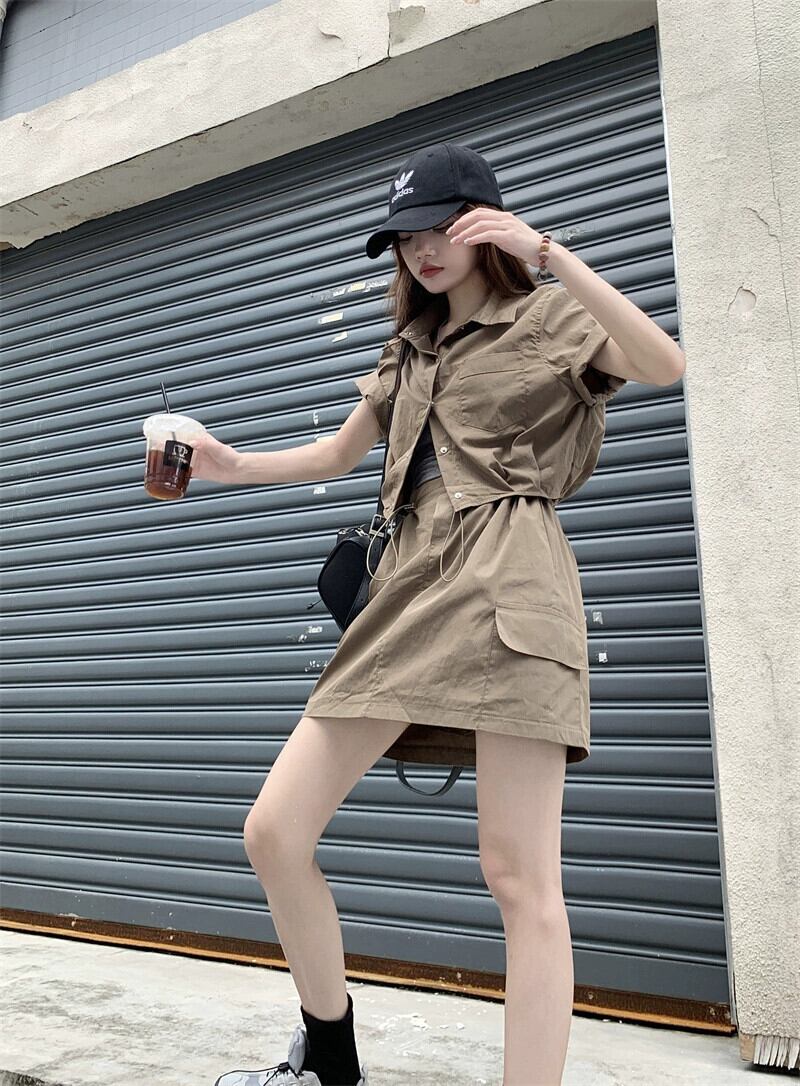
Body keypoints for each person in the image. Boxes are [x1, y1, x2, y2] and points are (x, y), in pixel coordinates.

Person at [197, 143, 686, 1086]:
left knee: (518, 876)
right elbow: (336, 457)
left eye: (439, 228)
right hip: (410, 589)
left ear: (482, 225)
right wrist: (228, 463)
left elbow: (664, 363)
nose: (421, 250)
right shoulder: (408, 349)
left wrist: (548, 252)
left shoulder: (546, 314)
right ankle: (328, 1062)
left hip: (511, 582)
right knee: (275, 832)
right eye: (405, 238)